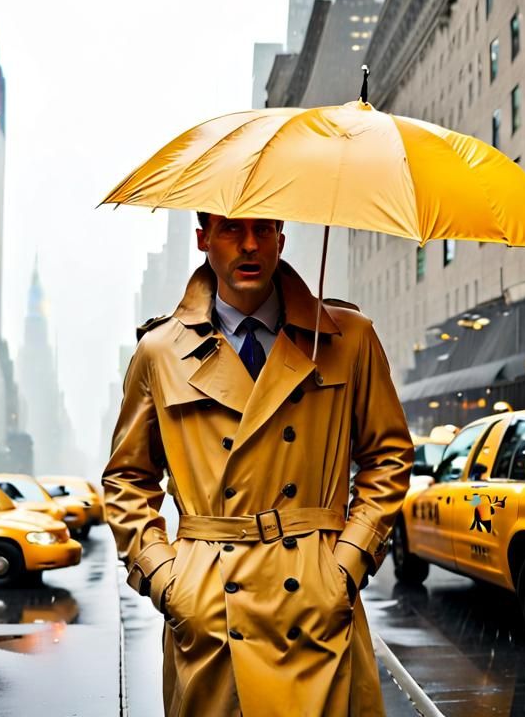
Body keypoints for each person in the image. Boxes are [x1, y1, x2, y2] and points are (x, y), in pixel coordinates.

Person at [103, 213, 412, 715]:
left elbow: (388, 457)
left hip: (317, 600)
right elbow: (127, 479)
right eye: (230, 230)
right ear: (203, 239)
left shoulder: (348, 338)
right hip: (210, 609)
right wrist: (168, 579)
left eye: (263, 230)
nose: (249, 245)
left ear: (280, 239)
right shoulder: (159, 353)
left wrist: (347, 564)